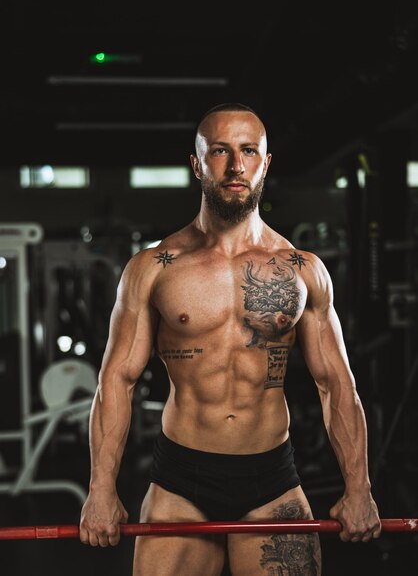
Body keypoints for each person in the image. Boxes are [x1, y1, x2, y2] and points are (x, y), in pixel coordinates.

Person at [79, 102, 381, 575]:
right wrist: (100, 489)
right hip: (180, 482)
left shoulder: (303, 271)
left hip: (271, 483)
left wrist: (358, 488)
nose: (236, 165)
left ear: (265, 162)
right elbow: (116, 379)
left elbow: (337, 384)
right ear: (197, 163)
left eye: (249, 151)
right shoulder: (153, 268)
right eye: (220, 151)